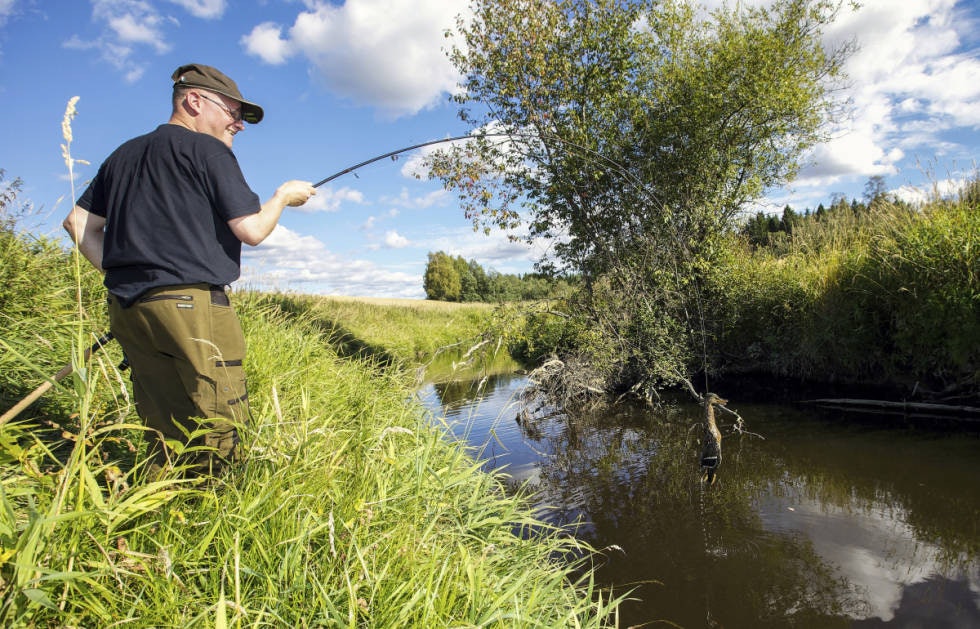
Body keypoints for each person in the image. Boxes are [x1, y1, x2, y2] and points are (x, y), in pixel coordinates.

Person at [63, 63, 316, 477]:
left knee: (161, 418)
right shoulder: (211, 151)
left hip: (128, 306)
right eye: (233, 112)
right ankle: (218, 512)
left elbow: (77, 223)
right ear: (195, 101)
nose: (239, 124)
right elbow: (251, 229)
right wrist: (283, 196)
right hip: (193, 307)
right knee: (220, 415)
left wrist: (132, 276)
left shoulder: (123, 154)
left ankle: (163, 502)